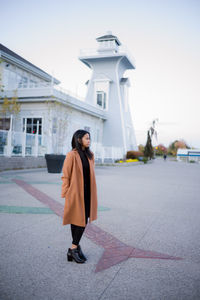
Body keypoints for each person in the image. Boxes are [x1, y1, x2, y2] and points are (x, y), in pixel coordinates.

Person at [61, 129, 98, 263]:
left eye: (89, 138)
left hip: (88, 193)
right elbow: (66, 175)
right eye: (86, 138)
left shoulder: (90, 155)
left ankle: (74, 248)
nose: (89, 140)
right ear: (78, 139)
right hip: (75, 193)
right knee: (77, 219)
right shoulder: (71, 155)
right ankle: (73, 248)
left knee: (83, 219)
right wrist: (66, 193)